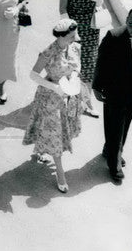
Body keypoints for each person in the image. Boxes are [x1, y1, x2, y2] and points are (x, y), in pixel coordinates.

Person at [23, 18, 92, 192]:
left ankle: (41, 150)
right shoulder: (48, 52)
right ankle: (60, 174)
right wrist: (54, 86)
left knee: (59, 131)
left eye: (74, 35)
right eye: (70, 37)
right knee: (55, 137)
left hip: (70, 96)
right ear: (60, 37)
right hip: (51, 98)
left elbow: (77, 66)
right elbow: (33, 75)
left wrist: (75, 76)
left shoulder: (75, 46)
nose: (74, 39)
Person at [92, 7, 132, 184]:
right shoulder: (113, 36)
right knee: (115, 126)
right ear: (126, 21)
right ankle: (114, 165)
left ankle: (111, 150)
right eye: (131, 25)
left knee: (124, 124)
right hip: (115, 89)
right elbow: (101, 62)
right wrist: (97, 87)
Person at [56, 0, 106, 87]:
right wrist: (68, 30)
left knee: (89, 60)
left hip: (91, 28)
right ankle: (70, 90)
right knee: (71, 58)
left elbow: (100, 4)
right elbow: (62, 8)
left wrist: (99, 0)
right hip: (74, 28)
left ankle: (85, 94)